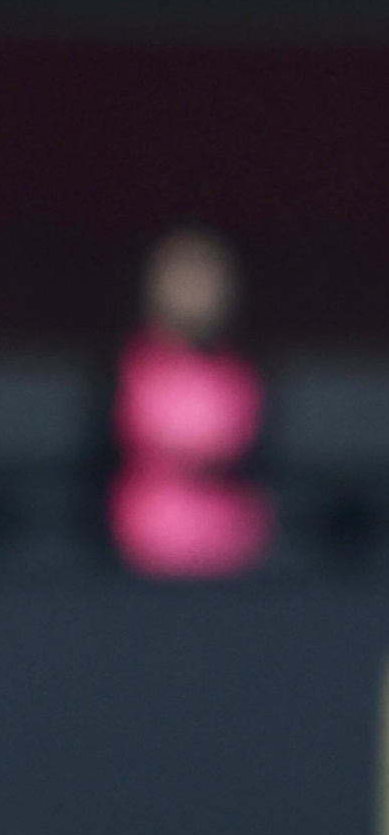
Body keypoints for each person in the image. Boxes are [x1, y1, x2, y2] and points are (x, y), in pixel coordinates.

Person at [111, 227, 269, 579]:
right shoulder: (127, 369)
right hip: (141, 552)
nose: (194, 292)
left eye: (205, 280)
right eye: (182, 278)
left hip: (232, 550)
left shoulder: (245, 372)